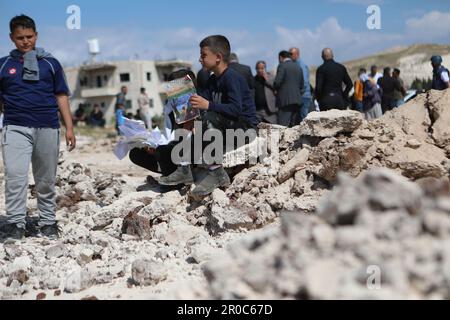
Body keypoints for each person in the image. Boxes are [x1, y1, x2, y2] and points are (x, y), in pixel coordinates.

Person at [0, 15, 76, 240]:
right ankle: (15, 223)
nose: (25, 42)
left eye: (29, 37)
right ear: (12, 38)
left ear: (36, 35)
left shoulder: (51, 64)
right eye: (20, 38)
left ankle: (48, 222)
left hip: (48, 127)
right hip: (15, 127)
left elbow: (61, 96)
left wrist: (69, 128)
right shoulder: (4, 64)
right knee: (15, 176)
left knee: (45, 179)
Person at [159, 35, 258, 197]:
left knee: (208, 118)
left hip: (245, 129)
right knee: (189, 127)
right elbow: (198, 105)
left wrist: (208, 105)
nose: (200, 59)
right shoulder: (212, 81)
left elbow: (236, 110)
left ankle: (217, 174)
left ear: (218, 57)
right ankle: (184, 170)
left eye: (203, 55)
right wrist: (187, 114)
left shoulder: (232, 78)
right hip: (223, 128)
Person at [129, 70, 196, 192]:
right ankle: (168, 173)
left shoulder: (194, 101)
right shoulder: (169, 105)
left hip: (189, 151)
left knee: (163, 151)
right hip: (173, 147)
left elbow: (188, 135)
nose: (171, 90)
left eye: (175, 86)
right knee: (136, 153)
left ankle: (176, 180)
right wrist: (151, 143)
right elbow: (168, 133)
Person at [274, 50, 304, 127]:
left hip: (285, 101)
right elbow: (302, 85)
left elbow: (277, 82)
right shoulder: (298, 66)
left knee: (282, 125)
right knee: (295, 126)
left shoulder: (282, 66)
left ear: (281, 57)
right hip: (297, 100)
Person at [289, 47, 312, 122]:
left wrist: (298, 94)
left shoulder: (301, 65)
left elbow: (305, 82)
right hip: (299, 96)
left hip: (303, 96)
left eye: (291, 54)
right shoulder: (294, 65)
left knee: (303, 118)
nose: (289, 56)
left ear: (297, 54)